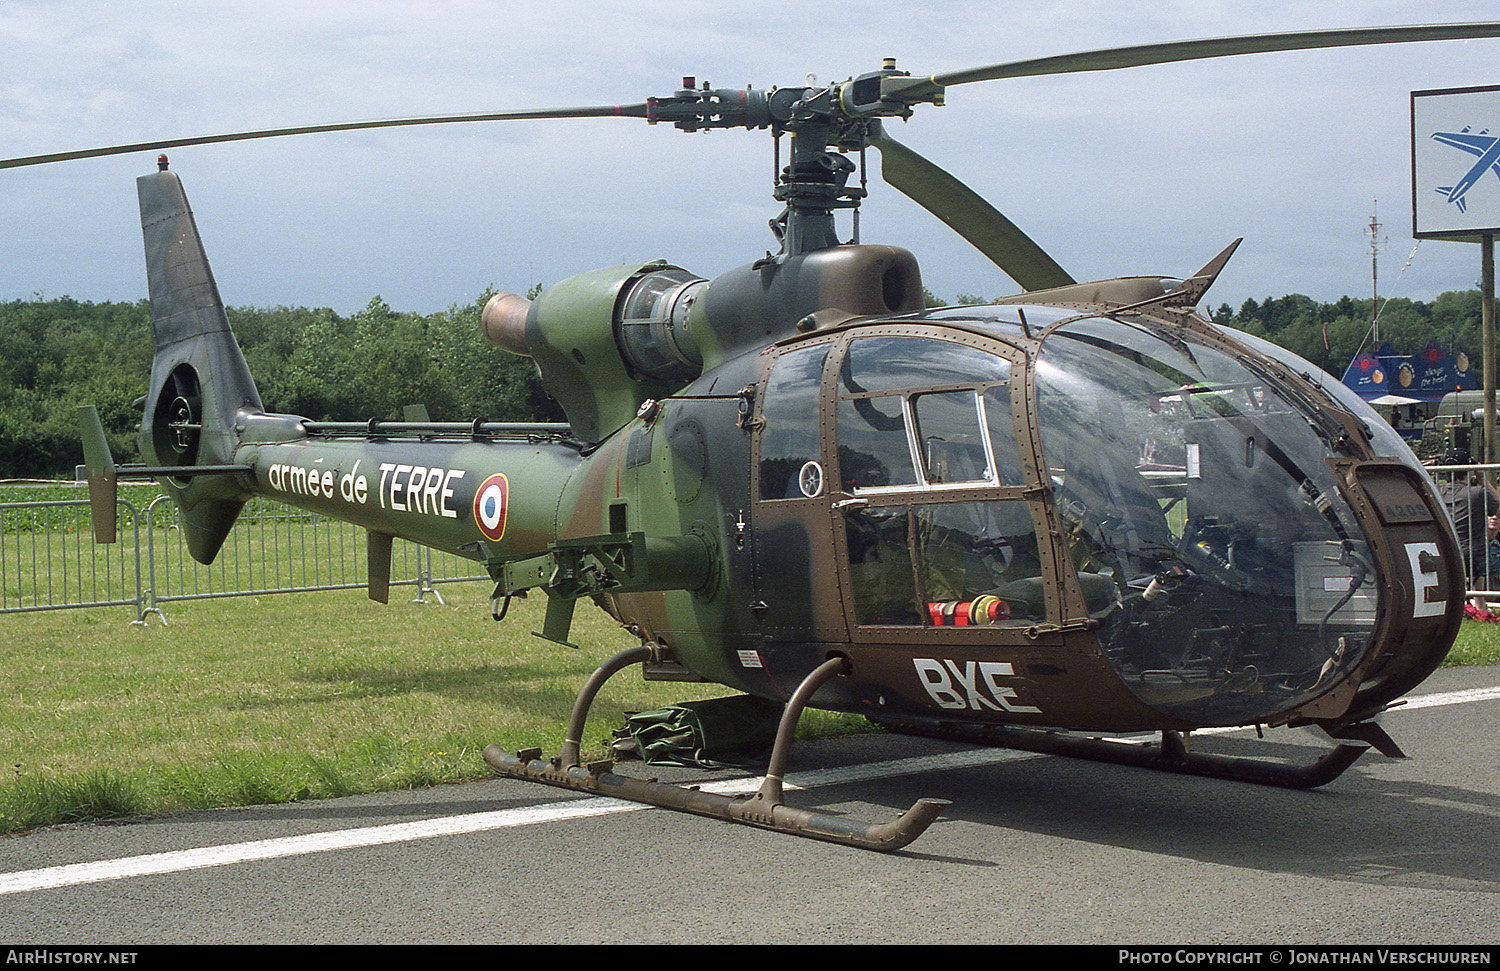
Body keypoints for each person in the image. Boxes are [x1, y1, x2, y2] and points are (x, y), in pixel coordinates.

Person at [1437, 449, 1500, 619]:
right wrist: (1482, 479)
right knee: (1492, 545)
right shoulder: (1478, 492)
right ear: (1470, 468)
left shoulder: (1438, 492)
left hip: (1446, 552)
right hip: (1474, 553)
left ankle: (1474, 603)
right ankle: (1480, 604)